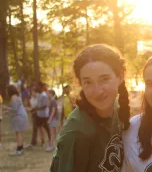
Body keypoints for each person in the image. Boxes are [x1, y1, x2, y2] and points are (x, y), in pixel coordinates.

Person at [50, 44, 130, 172]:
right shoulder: (76, 133)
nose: (97, 91)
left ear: (120, 76)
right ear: (80, 83)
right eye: (88, 82)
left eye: (104, 79)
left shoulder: (118, 109)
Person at [4, 85, 29, 156]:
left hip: (19, 117)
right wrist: (7, 111)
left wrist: (6, 108)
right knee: (19, 133)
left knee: (19, 133)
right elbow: (15, 108)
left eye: (7, 90)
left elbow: (14, 109)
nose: (6, 91)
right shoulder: (15, 96)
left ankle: (19, 149)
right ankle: (20, 148)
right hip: (19, 116)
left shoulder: (13, 97)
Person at [34, 82, 51, 147]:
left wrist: (38, 108)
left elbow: (45, 105)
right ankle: (42, 141)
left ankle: (50, 141)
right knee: (39, 127)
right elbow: (38, 104)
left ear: (40, 87)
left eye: (37, 86)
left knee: (47, 128)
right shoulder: (38, 95)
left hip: (44, 115)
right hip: (39, 115)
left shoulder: (44, 95)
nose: (36, 88)